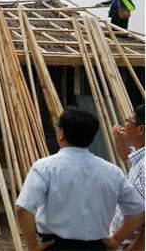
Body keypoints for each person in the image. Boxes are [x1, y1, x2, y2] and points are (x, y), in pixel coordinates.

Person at [15, 107, 144, 251]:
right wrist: (115, 240)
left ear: (61, 133)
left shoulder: (45, 167)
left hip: (55, 246)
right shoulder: (112, 172)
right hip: (96, 246)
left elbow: (22, 208)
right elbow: (138, 211)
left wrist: (33, 246)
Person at [110, 105, 145, 250]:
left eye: (128, 120)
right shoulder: (140, 157)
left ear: (140, 129)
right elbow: (127, 157)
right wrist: (119, 139)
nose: (124, 124)